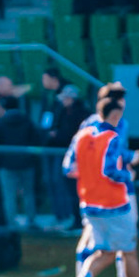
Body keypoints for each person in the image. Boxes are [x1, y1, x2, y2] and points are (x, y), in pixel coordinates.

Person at [64, 92, 139, 277]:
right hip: (114, 203)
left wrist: (90, 179)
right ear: (116, 113)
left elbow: (68, 167)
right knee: (129, 252)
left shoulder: (81, 135)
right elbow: (110, 170)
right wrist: (127, 175)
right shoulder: (112, 137)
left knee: (106, 252)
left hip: (89, 203)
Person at [0, 95, 41, 230]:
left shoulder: (0, 123)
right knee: (28, 193)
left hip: (6, 165)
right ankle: (31, 220)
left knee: (9, 195)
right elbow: (36, 139)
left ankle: (11, 223)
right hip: (26, 163)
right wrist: (31, 159)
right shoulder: (27, 121)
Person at [44, 80, 86, 229]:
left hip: (76, 156)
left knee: (75, 189)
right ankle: (72, 218)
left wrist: (58, 135)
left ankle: (78, 219)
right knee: (64, 185)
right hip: (63, 153)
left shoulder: (80, 114)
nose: (64, 101)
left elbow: (73, 134)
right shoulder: (62, 111)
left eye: (66, 98)